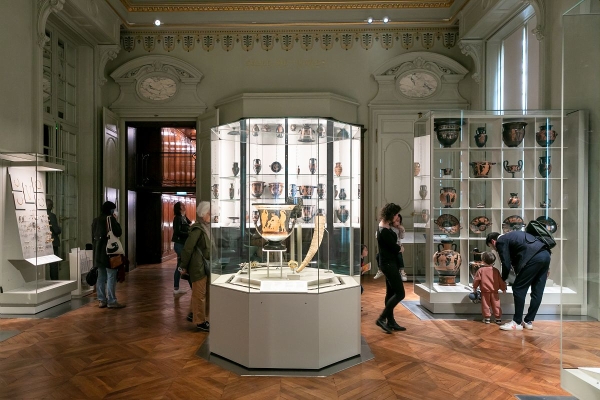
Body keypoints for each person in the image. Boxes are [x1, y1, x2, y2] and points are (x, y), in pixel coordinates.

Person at [486, 230, 551, 331]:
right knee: (537, 291)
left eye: (492, 247)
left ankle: (516, 322)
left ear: (493, 241)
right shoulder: (514, 236)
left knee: (518, 288)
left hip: (533, 258)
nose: (494, 249)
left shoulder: (501, 241)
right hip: (545, 255)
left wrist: (502, 280)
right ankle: (528, 321)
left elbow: (506, 264)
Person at [179, 201, 211, 332]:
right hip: (198, 266)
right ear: (204, 214)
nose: (212, 215)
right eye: (210, 213)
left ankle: (196, 314)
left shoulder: (206, 227)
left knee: (202, 293)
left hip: (204, 265)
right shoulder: (198, 228)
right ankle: (200, 321)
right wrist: (182, 266)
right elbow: (188, 248)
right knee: (199, 293)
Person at [375, 203, 406, 334]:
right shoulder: (384, 230)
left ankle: (391, 321)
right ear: (390, 215)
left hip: (389, 263)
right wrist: (400, 248)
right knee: (400, 293)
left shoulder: (387, 226)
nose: (397, 216)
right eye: (395, 214)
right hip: (388, 264)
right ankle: (381, 318)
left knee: (391, 293)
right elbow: (393, 247)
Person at [92, 201, 125, 309]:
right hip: (110, 252)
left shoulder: (96, 220)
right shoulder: (110, 219)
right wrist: (116, 221)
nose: (114, 211)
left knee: (101, 277)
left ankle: (102, 300)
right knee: (111, 276)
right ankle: (112, 300)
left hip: (98, 252)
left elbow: (93, 236)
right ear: (110, 210)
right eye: (113, 209)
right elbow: (118, 232)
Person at [472, 251, 507, 325]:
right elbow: (500, 281)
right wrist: (503, 288)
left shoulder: (480, 270)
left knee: (485, 305)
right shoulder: (496, 270)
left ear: (483, 260)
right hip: (495, 292)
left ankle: (487, 318)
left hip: (485, 292)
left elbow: (476, 280)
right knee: (496, 305)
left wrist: (474, 287)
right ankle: (498, 318)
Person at [172, 201, 192, 295]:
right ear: (179, 208)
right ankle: (192, 287)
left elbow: (190, 224)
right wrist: (188, 234)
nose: (184, 206)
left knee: (180, 266)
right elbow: (177, 232)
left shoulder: (184, 217)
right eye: (182, 205)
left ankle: (176, 288)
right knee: (183, 265)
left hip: (183, 244)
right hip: (179, 244)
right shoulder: (177, 218)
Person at [46, 198, 62, 280]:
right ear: (50, 206)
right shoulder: (51, 216)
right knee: (54, 264)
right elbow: (56, 230)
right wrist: (60, 229)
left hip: (45, 242)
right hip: (53, 242)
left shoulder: (41, 215)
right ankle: (54, 281)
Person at [392, 214, 407, 282]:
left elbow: (401, 237)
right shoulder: (390, 227)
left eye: (399, 221)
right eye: (396, 220)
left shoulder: (399, 228)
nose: (397, 222)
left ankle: (402, 271)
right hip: (392, 245)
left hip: (398, 245)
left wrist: (402, 229)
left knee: (399, 256)